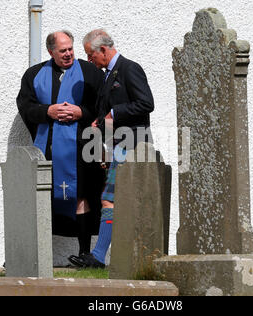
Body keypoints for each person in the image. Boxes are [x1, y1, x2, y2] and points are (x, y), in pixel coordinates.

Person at [69, 29, 155, 268]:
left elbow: (146, 103)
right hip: (118, 145)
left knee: (109, 200)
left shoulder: (129, 68)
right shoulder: (109, 75)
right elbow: (109, 108)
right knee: (117, 202)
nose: (89, 60)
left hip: (132, 145)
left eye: (90, 55)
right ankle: (114, 257)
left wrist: (114, 113)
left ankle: (97, 256)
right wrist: (100, 121)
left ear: (103, 50)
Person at [17, 31, 105, 260]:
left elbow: (103, 107)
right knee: (40, 198)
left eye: (70, 49)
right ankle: (31, 253)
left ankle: (85, 252)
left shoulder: (90, 72)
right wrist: (47, 111)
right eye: (62, 50)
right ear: (51, 52)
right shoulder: (34, 75)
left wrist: (81, 112)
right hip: (46, 148)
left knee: (82, 195)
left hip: (82, 148)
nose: (68, 54)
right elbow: (26, 107)